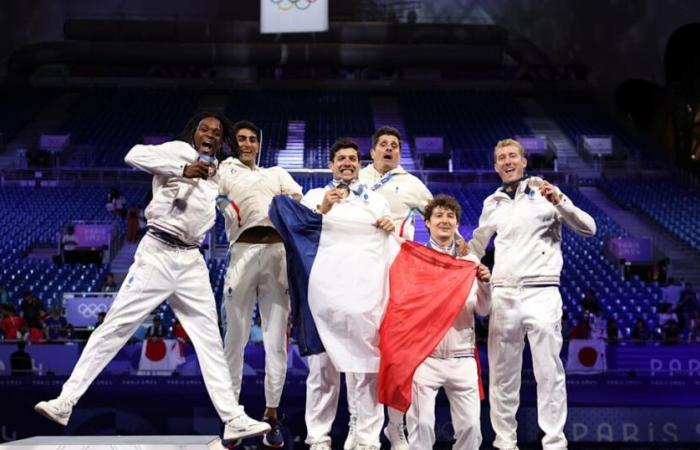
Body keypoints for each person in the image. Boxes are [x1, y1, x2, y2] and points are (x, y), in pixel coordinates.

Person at [33, 112, 270, 447]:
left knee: (210, 341)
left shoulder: (218, 172)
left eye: (216, 132)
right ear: (194, 132)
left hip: (192, 261)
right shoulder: (176, 151)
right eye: (204, 129)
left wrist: (232, 206)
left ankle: (232, 419)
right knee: (115, 327)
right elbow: (134, 154)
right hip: (157, 252)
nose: (210, 134)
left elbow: (227, 196)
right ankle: (65, 401)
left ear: (221, 140)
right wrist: (182, 170)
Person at [468, 138, 596, 450]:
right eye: (501, 157)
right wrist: (461, 263)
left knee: (549, 372)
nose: (507, 161)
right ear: (496, 165)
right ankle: (505, 441)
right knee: (502, 376)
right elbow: (475, 246)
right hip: (504, 296)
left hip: (542, 292)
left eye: (512, 156)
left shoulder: (546, 192)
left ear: (524, 161)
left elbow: (589, 227)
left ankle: (554, 442)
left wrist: (559, 202)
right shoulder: (492, 203)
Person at [300, 138, 394, 450]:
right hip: (323, 297)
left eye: (352, 158)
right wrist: (323, 208)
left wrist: (389, 225)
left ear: (359, 164)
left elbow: (393, 242)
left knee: (365, 369)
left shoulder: (376, 201)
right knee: (322, 371)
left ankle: (367, 439)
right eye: (341, 158)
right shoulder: (314, 195)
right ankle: (318, 439)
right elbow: (299, 231)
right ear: (331, 164)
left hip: (365, 296)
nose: (347, 163)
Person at [217, 120, 303, 448]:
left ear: (259, 143)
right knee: (234, 339)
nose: (248, 144)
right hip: (241, 251)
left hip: (277, 254)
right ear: (232, 143)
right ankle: (231, 417)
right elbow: (213, 195)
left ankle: (271, 416)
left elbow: (295, 199)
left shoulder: (276, 173)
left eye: (253, 139)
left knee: (276, 342)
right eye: (241, 139)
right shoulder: (224, 170)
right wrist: (224, 205)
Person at [354, 126, 438, 450]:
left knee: (397, 355)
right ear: (372, 151)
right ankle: (360, 427)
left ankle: (396, 426)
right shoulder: (357, 180)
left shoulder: (412, 184)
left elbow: (439, 218)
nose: (389, 149)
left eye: (394, 145)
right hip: (362, 277)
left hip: (400, 278)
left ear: (399, 154)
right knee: (362, 354)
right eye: (383, 145)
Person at [405, 195, 491, 450]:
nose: (445, 221)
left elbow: (483, 310)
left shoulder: (470, 262)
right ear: (427, 223)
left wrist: (485, 284)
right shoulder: (416, 259)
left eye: (450, 216)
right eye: (439, 216)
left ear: (457, 223)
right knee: (421, 427)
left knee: (472, 430)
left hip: (462, 357)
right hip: (425, 356)